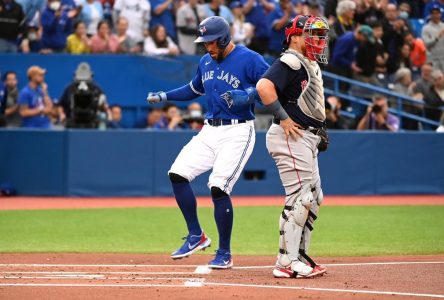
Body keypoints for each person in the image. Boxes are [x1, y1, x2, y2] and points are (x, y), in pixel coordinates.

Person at [146, 16, 269, 268]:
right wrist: (164, 95)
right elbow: (194, 89)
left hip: (238, 131)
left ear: (224, 38)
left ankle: (224, 253)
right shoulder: (205, 61)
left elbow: (272, 86)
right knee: (177, 174)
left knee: (218, 186)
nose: (208, 47)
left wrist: (250, 94)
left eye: (211, 42)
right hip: (209, 129)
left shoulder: (250, 58)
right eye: (205, 43)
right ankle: (196, 235)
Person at [256, 15, 330, 278]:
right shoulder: (290, 59)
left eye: (321, 35)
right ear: (295, 36)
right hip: (291, 136)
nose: (320, 40)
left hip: (305, 137)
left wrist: (318, 130)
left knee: (314, 198)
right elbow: (264, 87)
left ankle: (299, 255)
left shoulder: (307, 63)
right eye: (313, 34)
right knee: (300, 198)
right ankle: (285, 262)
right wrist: (285, 119)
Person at [59, 62, 109, 128]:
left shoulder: (96, 89)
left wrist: (107, 112)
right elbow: (60, 105)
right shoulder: (69, 89)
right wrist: (61, 115)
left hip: (92, 122)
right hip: (72, 121)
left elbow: (104, 105)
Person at [421, 5, 444, 72]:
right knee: (435, 79)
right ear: (430, 15)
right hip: (433, 59)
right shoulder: (426, 28)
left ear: (440, 14)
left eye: (437, 13)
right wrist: (437, 37)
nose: (435, 15)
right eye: (433, 13)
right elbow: (426, 44)